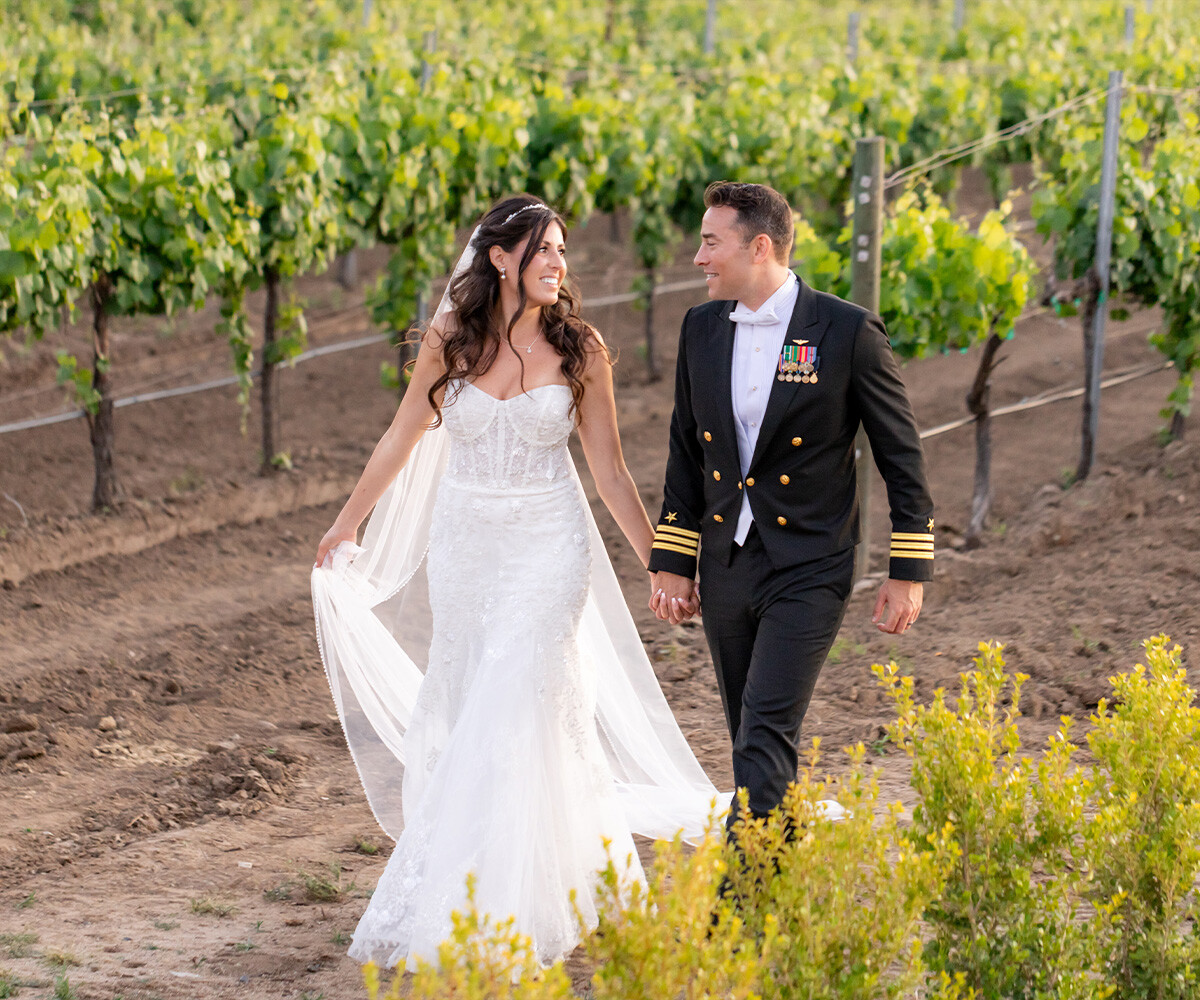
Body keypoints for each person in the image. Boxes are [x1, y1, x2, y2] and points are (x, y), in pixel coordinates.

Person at [310, 195, 720, 971]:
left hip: (547, 545)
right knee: (475, 704)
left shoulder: (580, 349)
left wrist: (662, 564)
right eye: (546, 251)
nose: (560, 265)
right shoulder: (450, 341)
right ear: (501, 257)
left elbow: (610, 470)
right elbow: (403, 433)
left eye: (562, 252)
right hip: (466, 547)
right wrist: (347, 522)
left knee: (521, 692)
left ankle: (515, 910)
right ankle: (490, 885)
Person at [648, 181, 934, 833]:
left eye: (710, 241)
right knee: (752, 738)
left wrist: (907, 571)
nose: (698, 257)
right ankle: (781, 884)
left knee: (764, 731)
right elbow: (686, 449)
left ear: (760, 246)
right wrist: (673, 558)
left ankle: (739, 905)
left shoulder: (844, 330)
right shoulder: (700, 329)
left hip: (810, 565)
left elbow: (902, 456)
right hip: (727, 566)